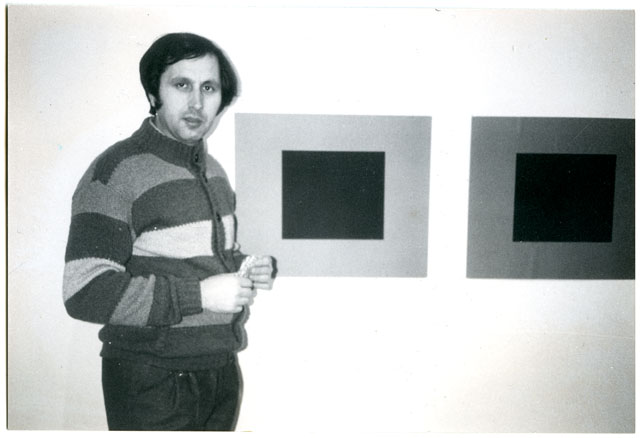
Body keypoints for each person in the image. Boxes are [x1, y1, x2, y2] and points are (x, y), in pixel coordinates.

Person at [62, 32, 275, 431]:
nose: (197, 103)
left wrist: (243, 265)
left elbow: (197, 257)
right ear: (153, 93)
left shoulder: (213, 172)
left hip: (220, 371)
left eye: (208, 88)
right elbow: (84, 291)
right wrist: (200, 295)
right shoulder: (116, 171)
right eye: (181, 85)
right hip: (150, 379)